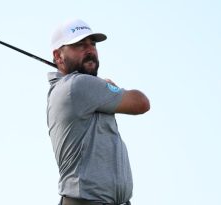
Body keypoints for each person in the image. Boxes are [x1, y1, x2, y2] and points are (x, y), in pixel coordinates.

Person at [46, 19, 150, 205]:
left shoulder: (76, 88)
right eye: (79, 45)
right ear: (58, 56)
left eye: (92, 44)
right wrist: (112, 87)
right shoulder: (77, 85)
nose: (90, 50)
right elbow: (141, 103)